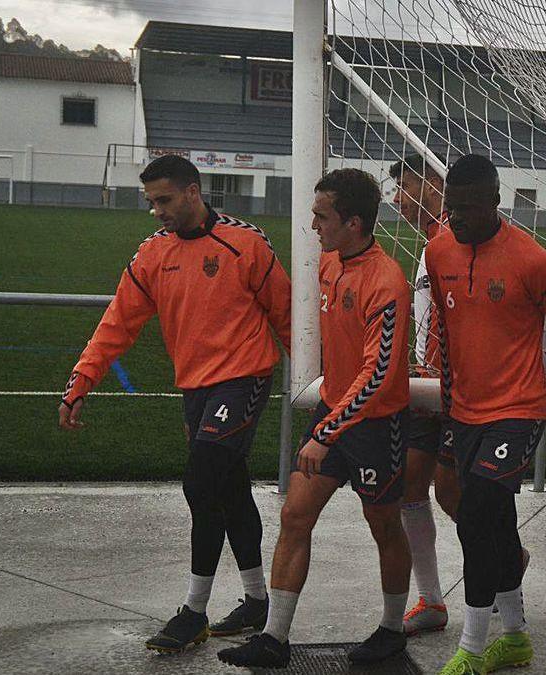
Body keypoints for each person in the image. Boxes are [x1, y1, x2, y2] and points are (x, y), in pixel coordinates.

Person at [58, 155, 291, 652]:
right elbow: (118, 322)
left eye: (163, 200)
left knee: (201, 479)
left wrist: (323, 387)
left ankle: (194, 611)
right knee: (228, 488)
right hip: (197, 389)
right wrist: (82, 378)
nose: (157, 211)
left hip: (244, 378)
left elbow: (287, 314)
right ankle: (255, 600)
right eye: (151, 202)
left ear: (193, 191)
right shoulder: (151, 254)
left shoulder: (244, 242)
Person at [217, 168, 414, 667]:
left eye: (321, 216)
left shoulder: (386, 281)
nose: (312, 225)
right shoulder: (329, 263)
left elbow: (376, 376)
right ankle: (274, 639)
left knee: (384, 526)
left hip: (373, 425)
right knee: (295, 515)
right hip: (334, 412)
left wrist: (325, 432)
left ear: (353, 222)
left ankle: (392, 629)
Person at [428, 154, 546, 675]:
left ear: (497, 201)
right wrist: (447, 396)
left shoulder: (532, 260)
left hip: (517, 411)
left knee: (475, 517)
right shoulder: (437, 250)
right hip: (465, 412)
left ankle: (472, 652)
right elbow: (445, 332)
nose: (458, 218)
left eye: (469, 209)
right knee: (496, 520)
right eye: (452, 208)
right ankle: (516, 639)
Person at [388, 154, 462, 636]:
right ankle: (431, 601)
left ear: (433, 180)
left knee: (455, 497)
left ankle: (506, 567)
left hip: (462, 388)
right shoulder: (429, 242)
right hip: (425, 385)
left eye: (403, 185)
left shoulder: (458, 238)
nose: (396, 199)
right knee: (410, 486)